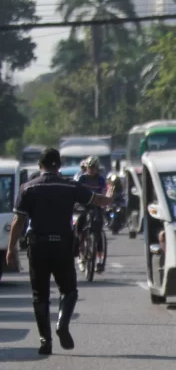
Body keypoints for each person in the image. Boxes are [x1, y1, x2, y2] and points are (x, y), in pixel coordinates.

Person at [6, 148, 112, 355]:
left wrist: (11, 249)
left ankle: (45, 340)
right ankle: (62, 324)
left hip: (37, 246)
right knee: (69, 290)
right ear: (59, 165)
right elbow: (97, 200)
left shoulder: (27, 188)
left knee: (40, 295)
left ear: (40, 165)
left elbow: (18, 220)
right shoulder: (70, 186)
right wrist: (110, 196)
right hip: (63, 245)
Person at [75, 156, 108, 272]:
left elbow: (104, 192)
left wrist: (104, 202)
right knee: (79, 225)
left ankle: (99, 261)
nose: (91, 170)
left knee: (98, 231)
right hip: (84, 205)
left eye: (93, 168)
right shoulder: (82, 179)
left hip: (97, 205)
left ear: (97, 168)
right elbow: (76, 191)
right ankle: (81, 253)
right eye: (89, 167)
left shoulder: (101, 179)